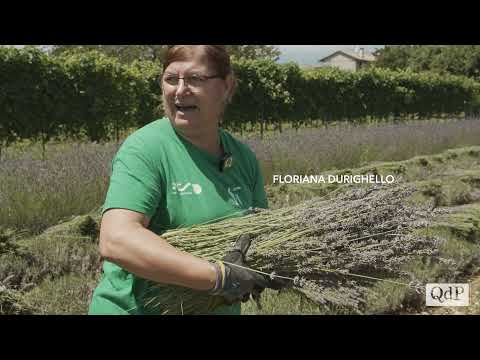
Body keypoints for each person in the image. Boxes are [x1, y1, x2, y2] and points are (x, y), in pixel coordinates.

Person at [88, 45, 283, 315]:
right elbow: (116, 239)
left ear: (227, 86)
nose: (179, 90)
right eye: (171, 79)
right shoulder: (146, 149)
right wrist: (217, 278)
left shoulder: (243, 157)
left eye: (195, 79)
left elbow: (260, 233)